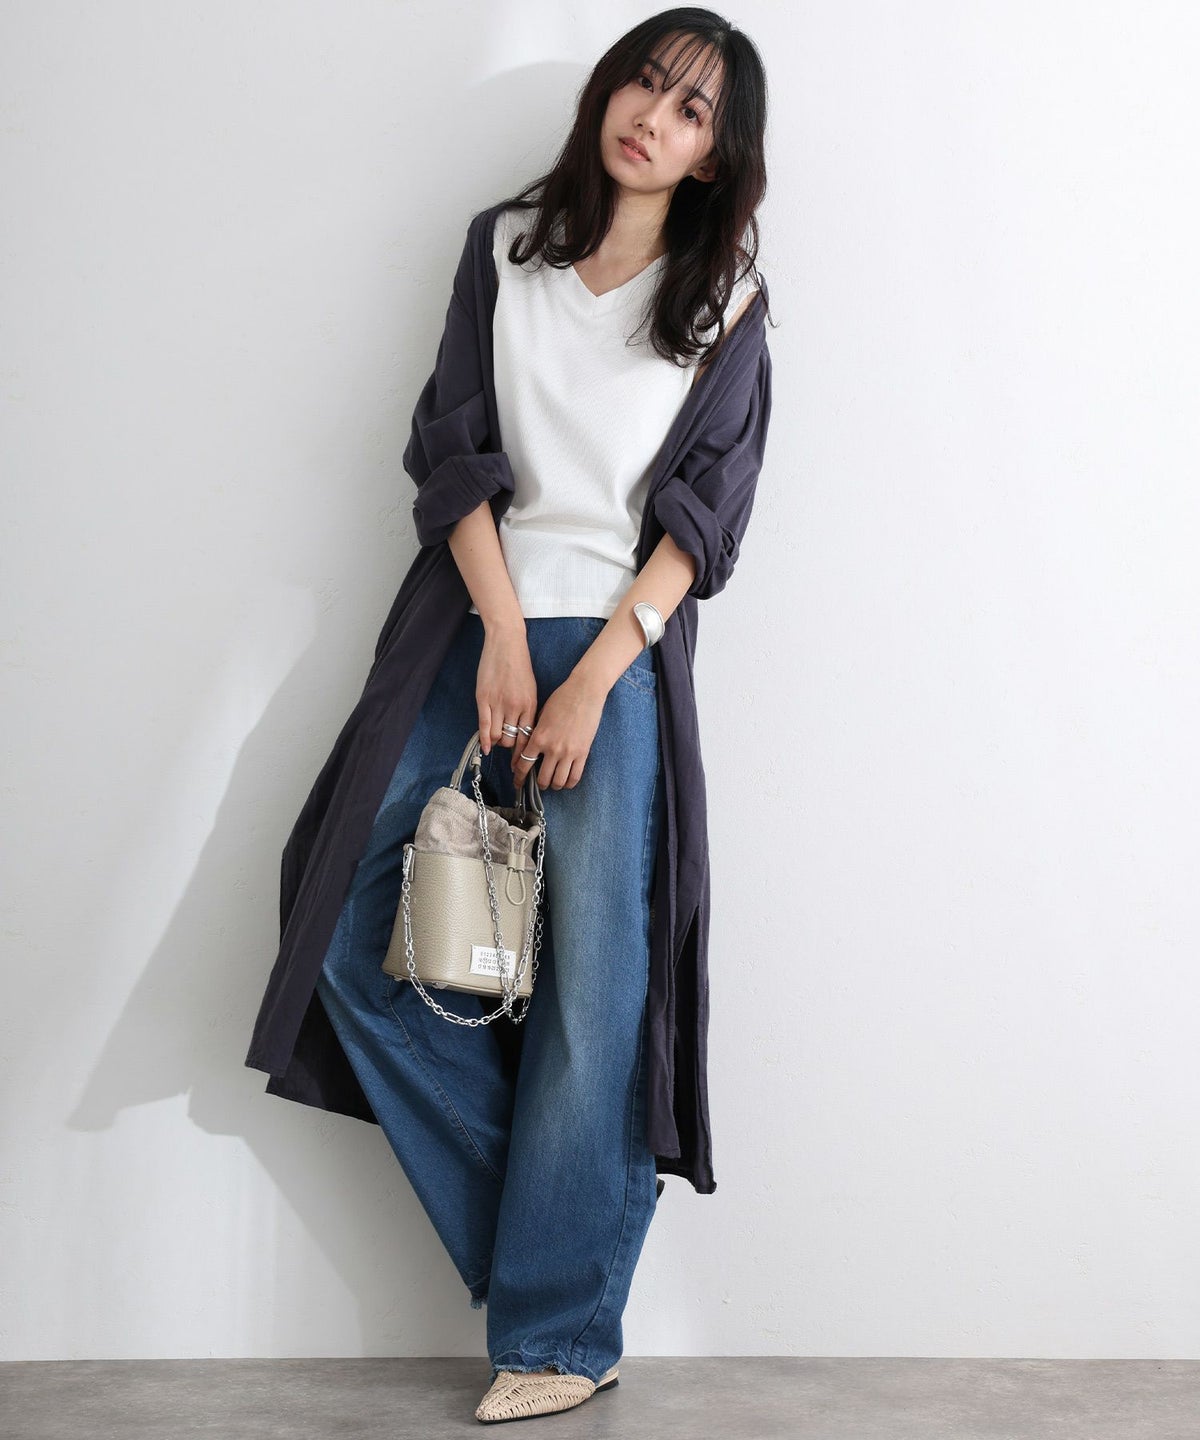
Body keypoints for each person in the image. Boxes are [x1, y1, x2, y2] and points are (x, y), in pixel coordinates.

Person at [248, 8, 774, 1425]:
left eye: (692, 112)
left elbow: (707, 515)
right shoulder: (506, 247)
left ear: (716, 156)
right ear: (609, 91)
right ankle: (569, 1255)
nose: (654, 118)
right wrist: (496, 632)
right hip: (470, 629)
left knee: (596, 996)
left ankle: (558, 1324)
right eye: (646, 84)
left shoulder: (726, 294)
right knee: (347, 925)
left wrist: (592, 677)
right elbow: (453, 444)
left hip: (618, 657)